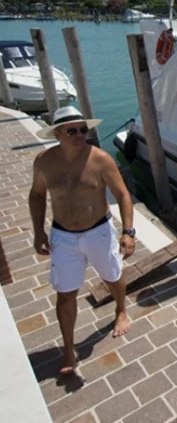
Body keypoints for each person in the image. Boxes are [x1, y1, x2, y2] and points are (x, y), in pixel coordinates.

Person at [30, 107, 136, 375]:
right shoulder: (43, 162)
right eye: (72, 130)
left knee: (112, 277)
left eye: (83, 129)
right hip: (63, 236)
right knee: (65, 294)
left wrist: (128, 231)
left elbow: (123, 195)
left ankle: (121, 310)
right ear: (57, 134)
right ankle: (68, 347)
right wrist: (39, 231)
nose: (80, 135)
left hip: (98, 232)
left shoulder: (100, 160)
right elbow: (37, 195)